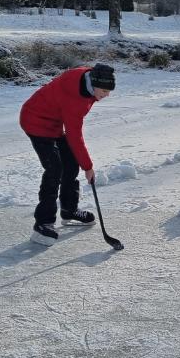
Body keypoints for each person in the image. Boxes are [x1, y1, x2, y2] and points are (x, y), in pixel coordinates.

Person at [20, 63, 115, 245]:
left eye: (109, 90)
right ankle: (43, 223)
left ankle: (69, 210)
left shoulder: (88, 83)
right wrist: (88, 167)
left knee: (70, 163)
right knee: (55, 169)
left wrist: (82, 163)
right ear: (94, 84)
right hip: (35, 121)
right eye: (104, 90)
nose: (107, 95)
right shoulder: (75, 98)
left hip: (54, 123)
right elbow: (74, 136)